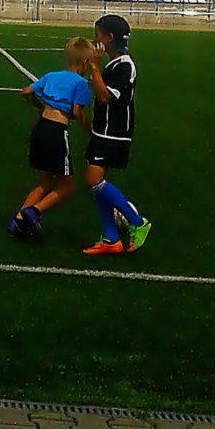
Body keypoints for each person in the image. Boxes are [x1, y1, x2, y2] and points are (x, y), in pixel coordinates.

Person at [8, 36, 93, 244]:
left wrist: (39, 106)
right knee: (67, 186)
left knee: (44, 183)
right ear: (85, 63)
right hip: (57, 131)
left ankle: (17, 220)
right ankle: (34, 212)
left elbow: (27, 91)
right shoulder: (82, 83)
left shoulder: (52, 76)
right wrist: (90, 131)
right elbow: (76, 111)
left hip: (40, 128)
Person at [82, 14, 151, 256]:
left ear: (109, 38)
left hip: (114, 132)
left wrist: (94, 66)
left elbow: (104, 97)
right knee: (98, 184)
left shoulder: (124, 66)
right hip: (103, 130)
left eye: (97, 35)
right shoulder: (114, 64)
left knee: (93, 180)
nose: (95, 40)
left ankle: (137, 222)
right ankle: (111, 238)